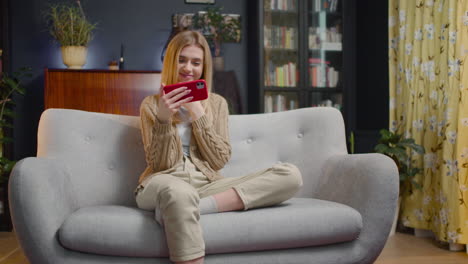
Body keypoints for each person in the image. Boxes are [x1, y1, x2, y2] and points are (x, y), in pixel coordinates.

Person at [134, 30, 303, 264]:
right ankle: (180, 204)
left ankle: (188, 207)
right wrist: (164, 120)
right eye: (182, 60)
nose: (188, 68)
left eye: (196, 62)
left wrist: (199, 115)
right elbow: (161, 165)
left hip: (207, 185)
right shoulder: (151, 105)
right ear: (171, 62)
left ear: (204, 67)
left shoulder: (217, 104)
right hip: (161, 182)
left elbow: (219, 160)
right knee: (179, 192)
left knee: (290, 175)